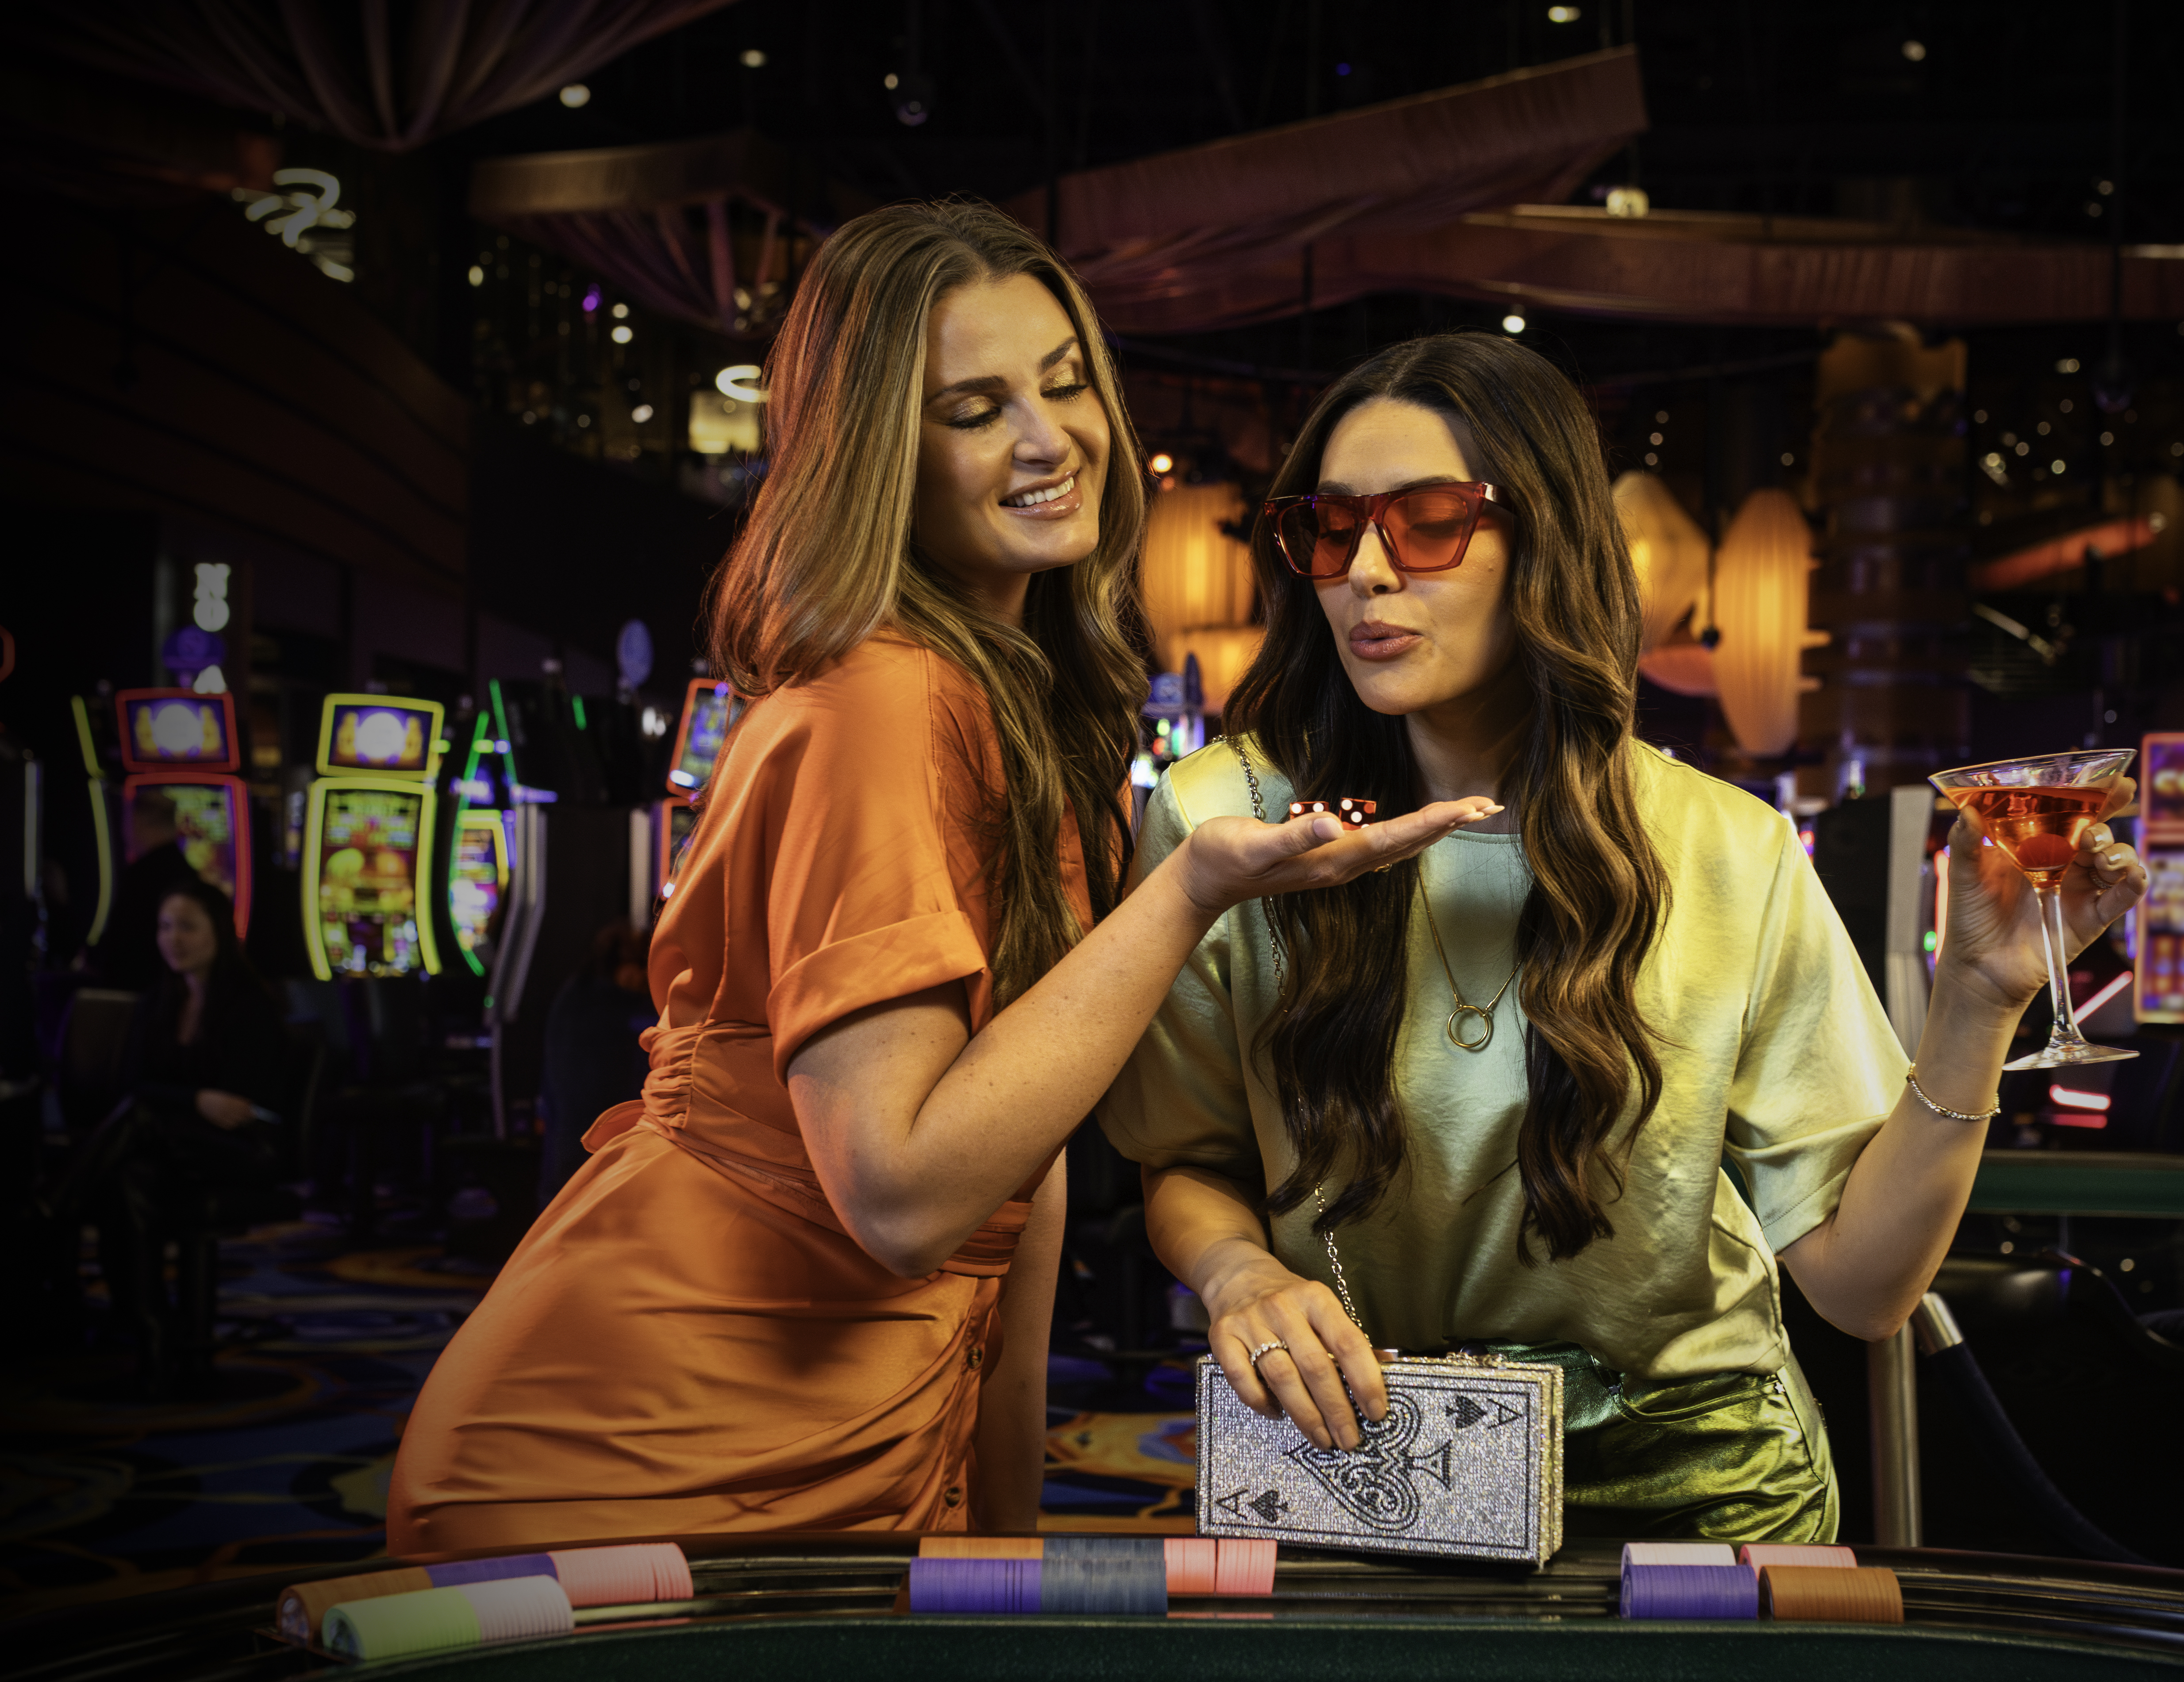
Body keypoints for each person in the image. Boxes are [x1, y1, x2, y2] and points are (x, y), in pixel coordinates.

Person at [388, 201, 1496, 1557]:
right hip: (646, 1437)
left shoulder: (1016, 707)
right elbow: (905, 1193)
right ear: (882, 456)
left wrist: (997, 1533)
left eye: (1063, 379)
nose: (1048, 438)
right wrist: (1187, 889)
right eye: (974, 407)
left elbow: (1012, 1193)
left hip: (863, 1436)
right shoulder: (881, 701)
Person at [1100, 333, 2151, 1540]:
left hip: (1701, 1492)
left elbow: (1862, 1289)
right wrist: (1238, 1270)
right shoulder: (1220, 821)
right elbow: (1182, 1156)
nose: (1366, 572)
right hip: (1371, 1462)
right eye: (1330, 530)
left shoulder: (1726, 848)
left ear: (1542, 540)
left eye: (1428, 520)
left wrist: (1978, 998)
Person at [70, 876, 291, 1389]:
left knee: (140, 1124)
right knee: (128, 1183)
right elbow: (132, 1084)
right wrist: (193, 1099)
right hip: (176, 1146)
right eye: (165, 926)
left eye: (188, 926)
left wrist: (176, 1102)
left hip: (249, 1149)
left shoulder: (249, 1002)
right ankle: (154, 1338)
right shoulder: (159, 1000)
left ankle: (55, 1209)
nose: (174, 938)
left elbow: (238, 1106)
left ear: (218, 930)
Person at [536, 919, 655, 1206]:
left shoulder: (572, 996)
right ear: (624, 965)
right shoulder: (621, 1010)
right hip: (598, 1151)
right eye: (642, 965)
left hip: (563, 1147)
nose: (646, 976)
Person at [88, 789, 192, 993]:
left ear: (141, 822)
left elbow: (122, 939)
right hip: (174, 987)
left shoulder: (142, 874)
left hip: (140, 990)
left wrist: (93, 959)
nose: (124, 830)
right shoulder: (187, 872)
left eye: (126, 822)